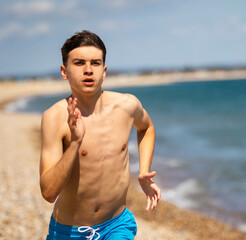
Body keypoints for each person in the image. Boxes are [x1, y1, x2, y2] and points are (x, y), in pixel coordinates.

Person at [40, 30, 161, 240]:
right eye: (79, 63)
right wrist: (76, 142)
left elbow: (147, 128)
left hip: (117, 225)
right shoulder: (54, 117)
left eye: (95, 63)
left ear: (104, 71)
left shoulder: (127, 105)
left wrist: (143, 171)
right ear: (64, 71)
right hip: (68, 231)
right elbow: (49, 193)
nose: (88, 70)